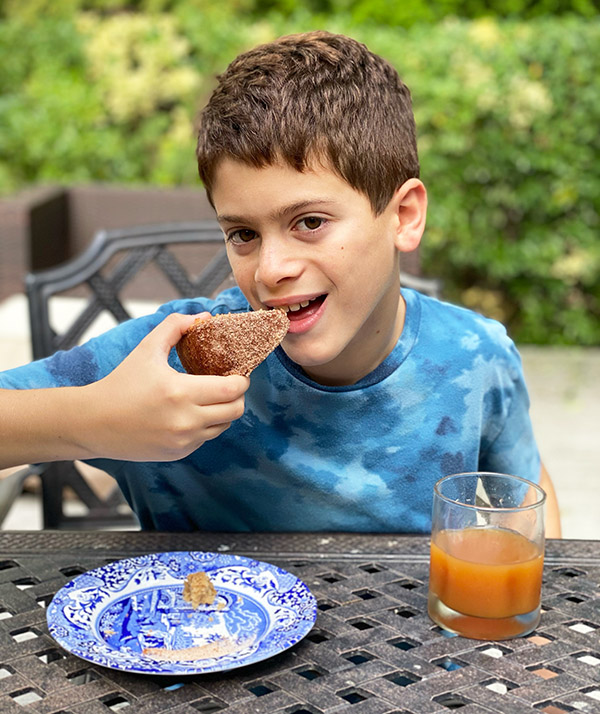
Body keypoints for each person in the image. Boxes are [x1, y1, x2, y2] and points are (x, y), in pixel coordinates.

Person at [0, 31, 561, 535]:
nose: (270, 269)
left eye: (309, 222)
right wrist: (95, 422)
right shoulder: (171, 363)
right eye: (243, 233)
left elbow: (528, 491)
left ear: (405, 216)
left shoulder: (476, 357)